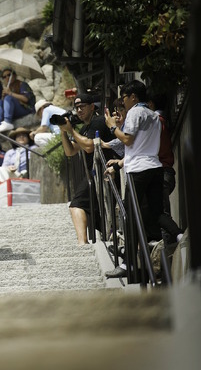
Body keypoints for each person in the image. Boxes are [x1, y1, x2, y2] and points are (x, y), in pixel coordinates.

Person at [104, 80, 184, 278]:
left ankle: (128, 265)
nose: (123, 102)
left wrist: (113, 127)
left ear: (133, 97)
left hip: (138, 170)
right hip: (155, 167)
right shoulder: (153, 115)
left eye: (124, 97)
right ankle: (180, 236)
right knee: (156, 213)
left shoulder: (135, 112)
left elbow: (128, 140)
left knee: (129, 215)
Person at [58, 93, 118, 245]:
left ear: (92, 107)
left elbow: (90, 146)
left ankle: (82, 243)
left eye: (82, 107)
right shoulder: (85, 128)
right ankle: (86, 241)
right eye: (76, 108)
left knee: (77, 205)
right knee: (96, 213)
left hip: (103, 171)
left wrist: (72, 131)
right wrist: (63, 131)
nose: (79, 110)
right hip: (95, 173)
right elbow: (70, 151)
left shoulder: (98, 122)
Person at [0, 69, 36, 133]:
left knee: (9, 98)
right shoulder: (8, 87)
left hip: (26, 108)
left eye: (9, 75)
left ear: (14, 76)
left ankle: (7, 121)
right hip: (14, 110)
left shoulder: (22, 84)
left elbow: (26, 99)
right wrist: (3, 97)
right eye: (4, 77)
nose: (7, 77)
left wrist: (10, 93)